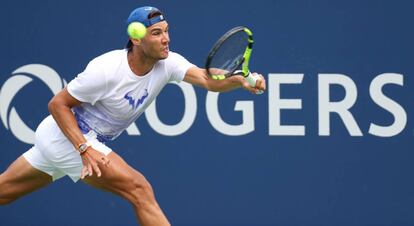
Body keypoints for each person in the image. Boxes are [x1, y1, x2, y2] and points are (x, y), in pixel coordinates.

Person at [0, 6, 266, 226]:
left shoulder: (168, 62)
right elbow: (57, 104)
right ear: (137, 39)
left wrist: (241, 81)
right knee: (139, 189)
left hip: (66, 139)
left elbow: (208, 79)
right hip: (69, 136)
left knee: (4, 192)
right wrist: (83, 149)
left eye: (167, 31)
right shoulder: (106, 70)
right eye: (157, 33)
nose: (166, 39)